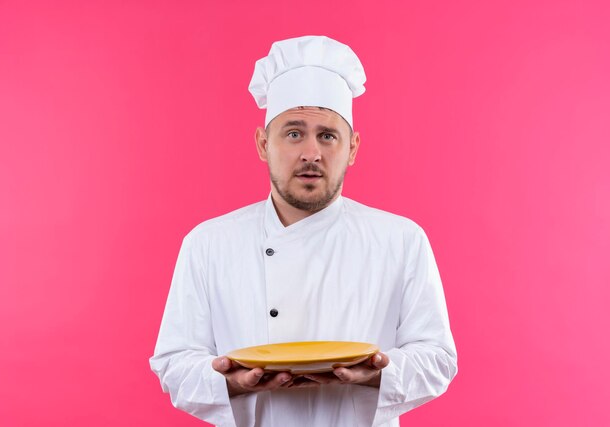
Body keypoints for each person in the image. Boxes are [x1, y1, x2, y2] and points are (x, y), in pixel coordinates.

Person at [149, 35, 457, 427]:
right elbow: (174, 364)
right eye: (293, 133)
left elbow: (438, 358)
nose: (311, 152)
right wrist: (230, 382)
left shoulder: (401, 241)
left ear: (354, 148)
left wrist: (381, 372)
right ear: (263, 143)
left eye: (327, 135)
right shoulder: (208, 244)